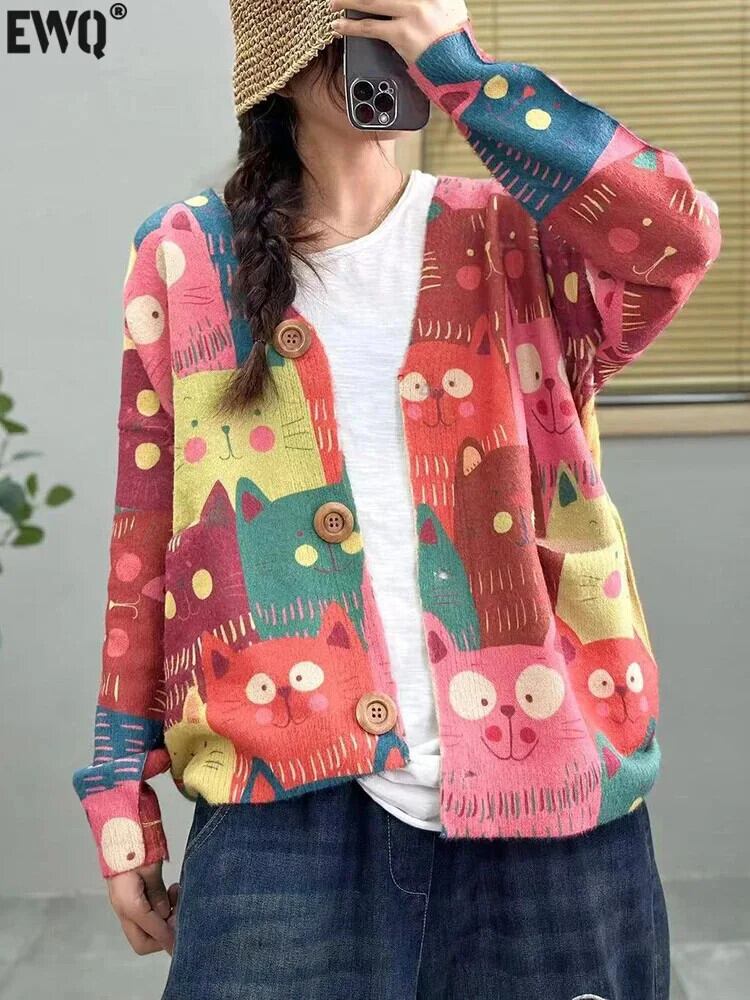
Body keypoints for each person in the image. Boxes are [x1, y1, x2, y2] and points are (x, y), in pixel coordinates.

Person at [72, 1, 721, 997]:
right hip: (279, 803)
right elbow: (144, 538)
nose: (404, 43)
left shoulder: (515, 234)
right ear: (288, 57)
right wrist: (120, 788)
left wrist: (467, 73)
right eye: (377, 23)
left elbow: (676, 234)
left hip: (550, 788)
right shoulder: (184, 257)